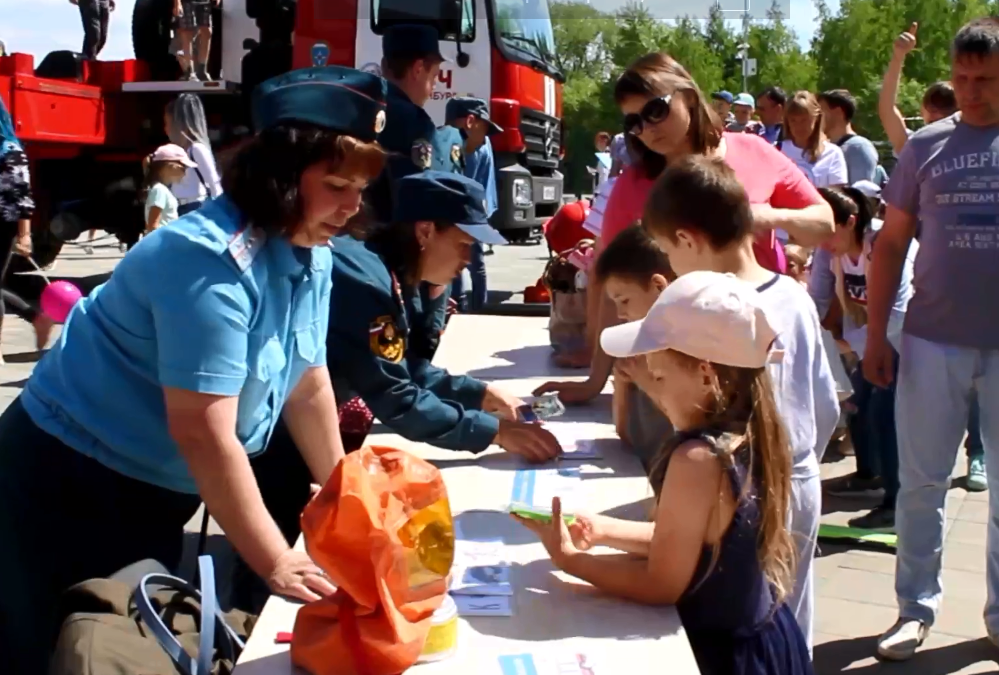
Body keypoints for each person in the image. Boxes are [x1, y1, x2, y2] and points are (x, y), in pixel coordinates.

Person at [0, 65, 390, 673]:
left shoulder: (308, 248)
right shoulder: (206, 261)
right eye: (337, 184)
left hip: (153, 486)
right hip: (62, 481)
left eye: (359, 189)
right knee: (47, 646)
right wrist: (275, 562)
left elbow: (307, 383)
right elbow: (205, 431)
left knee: (117, 639)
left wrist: (351, 500)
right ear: (283, 178)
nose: (352, 206)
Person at [517, 270, 813, 675]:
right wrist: (604, 529)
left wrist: (569, 561)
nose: (652, 388)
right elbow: (695, 541)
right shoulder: (752, 430)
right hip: (767, 639)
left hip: (724, 657)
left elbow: (662, 582)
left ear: (706, 375)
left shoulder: (697, 459)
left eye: (658, 377)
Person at [533, 52, 834, 405]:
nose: (646, 128)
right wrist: (595, 379)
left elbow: (824, 223)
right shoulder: (633, 186)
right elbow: (610, 281)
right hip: (677, 379)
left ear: (688, 97)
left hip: (762, 355)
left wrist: (764, 217)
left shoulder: (753, 151)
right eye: (634, 122)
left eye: (655, 110)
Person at [643, 155, 840, 653]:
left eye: (667, 249)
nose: (669, 263)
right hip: (797, 480)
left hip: (739, 493)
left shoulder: (709, 313)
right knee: (789, 620)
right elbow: (824, 405)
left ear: (687, 240)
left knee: (748, 619)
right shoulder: (794, 296)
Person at [864, 17, 999, 661]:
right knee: (922, 484)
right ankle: (913, 609)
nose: (973, 92)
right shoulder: (925, 147)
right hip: (931, 341)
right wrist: (875, 336)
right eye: (965, 78)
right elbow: (889, 245)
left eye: (988, 80)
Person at [322, 171, 560, 461]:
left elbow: (406, 367)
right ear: (425, 231)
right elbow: (395, 397)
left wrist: (480, 394)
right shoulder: (366, 283)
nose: (469, 260)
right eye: (464, 244)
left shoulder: (392, 270)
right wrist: (495, 432)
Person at [817, 185, 917, 531]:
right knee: (856, 405)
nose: (822, 240)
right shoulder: (838, 253)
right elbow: (827, 301)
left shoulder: (884, 247)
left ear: (851, 222)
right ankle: (869, 473)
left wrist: (855, 345)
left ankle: (896, 504)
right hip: (873, 344)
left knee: (884, 416)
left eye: (828, 230)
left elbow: (900, 312)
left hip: (909, 342)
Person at [591, 224, 675, 473]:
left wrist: (647, 382)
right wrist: (623, 386)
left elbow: (696, 427)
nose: (619, 313)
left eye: (624, 300)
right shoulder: (638, 345)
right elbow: (627, 437)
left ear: (659, 287)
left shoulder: (692, 349)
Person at [366, 24, 461, 225]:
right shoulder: (414, 122)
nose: (434, 85)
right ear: (418, 69)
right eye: (434, 76)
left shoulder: (363, 106)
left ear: (384, 65)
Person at [0, 97, 53, 359]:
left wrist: (24, 234)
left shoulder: (10, 149)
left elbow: (22, 196)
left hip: (3, 223)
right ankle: (35, 317)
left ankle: (35, 318)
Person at [445, 97, 501, 313]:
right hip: (458, 214)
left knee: (474, 262)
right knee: (456, 264)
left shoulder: (483, 145)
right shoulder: (445, 146)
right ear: (470, 122)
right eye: (484, 127)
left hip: (473, 213)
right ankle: (459, 308)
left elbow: (485, 181)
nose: (487, 135)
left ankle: (478, 308)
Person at [165, 93, 222, 215]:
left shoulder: (196, 149)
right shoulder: (177, 151)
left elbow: (214, 184)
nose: (166, 129)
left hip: (195, 208)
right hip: (178, 209)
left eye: (168, 124)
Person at [781, 91, 848, 189]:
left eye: (804, 120)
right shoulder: (777, 151)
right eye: (793, 120)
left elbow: (837, 196)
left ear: (816, 119)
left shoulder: (833, 153)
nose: (799, 126)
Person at [818, 89, 880, 184]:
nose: (816, 118)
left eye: (821, 112)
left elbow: (861, 193)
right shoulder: (826, 148)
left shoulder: (858, 147)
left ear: (838, 112)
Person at [143, 144, 194, 232]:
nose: (185, 173)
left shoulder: (162, 190)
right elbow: (153, 226)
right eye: (183, 168)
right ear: (171, 167)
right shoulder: (159, 190)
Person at [173, 0, 219, 81]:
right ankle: (190, 71)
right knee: (187, 31)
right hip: (186, 2)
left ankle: (202, 70)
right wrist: (177, 3)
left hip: (205, 2)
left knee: (207, 31)